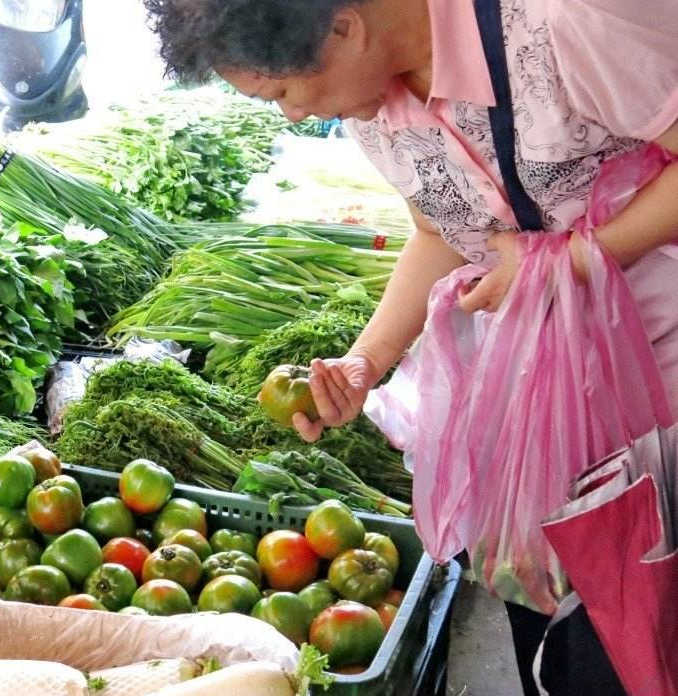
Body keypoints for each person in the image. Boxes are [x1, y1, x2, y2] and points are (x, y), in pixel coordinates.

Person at [142, 0, 678, 694]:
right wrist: (366, 362)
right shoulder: (379, 108)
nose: (293, 117)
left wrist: (576, 258)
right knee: (574, 643)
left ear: (344, 26)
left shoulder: (562, 22)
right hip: (540, 418)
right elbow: (438, 233)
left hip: (659, 395)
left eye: (282, 93)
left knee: (656, 624)